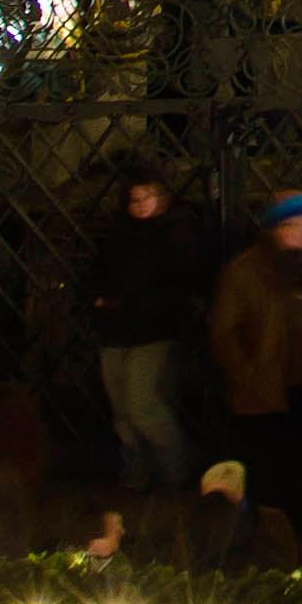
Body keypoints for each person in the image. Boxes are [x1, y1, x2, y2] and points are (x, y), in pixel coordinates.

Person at [215, 198, 302, 531]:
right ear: (277, 230)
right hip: (265, 386)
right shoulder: (246, 271)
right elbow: (225, 332)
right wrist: (247, 373)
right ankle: (271, 529)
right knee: (269, 462)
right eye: (293, 226)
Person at [75, 176, 198, 485]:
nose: (141, 204)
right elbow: (96, 275)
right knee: (123, 412)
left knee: (143, 405)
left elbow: (178, 288)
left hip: (152, 333)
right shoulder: (119, 237)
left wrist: (131, 304)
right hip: (115, 333)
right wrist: (100, 302)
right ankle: (138, 470)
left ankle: (175, 469)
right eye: (135, 198)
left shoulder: (175, 236)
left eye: (148, 197)